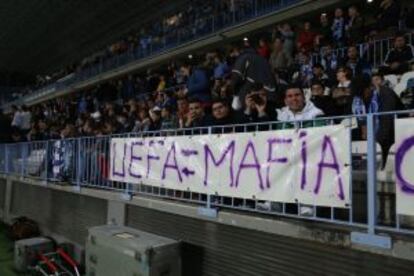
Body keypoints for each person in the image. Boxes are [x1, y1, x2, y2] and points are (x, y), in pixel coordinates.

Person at [231, 40, 276, 109]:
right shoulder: (263, 59)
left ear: (238, 50)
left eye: (233, 52)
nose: (233, 54)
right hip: (268, 94)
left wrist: (235, 94)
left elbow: (236, 77)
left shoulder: (243, 58)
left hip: (250, 93)